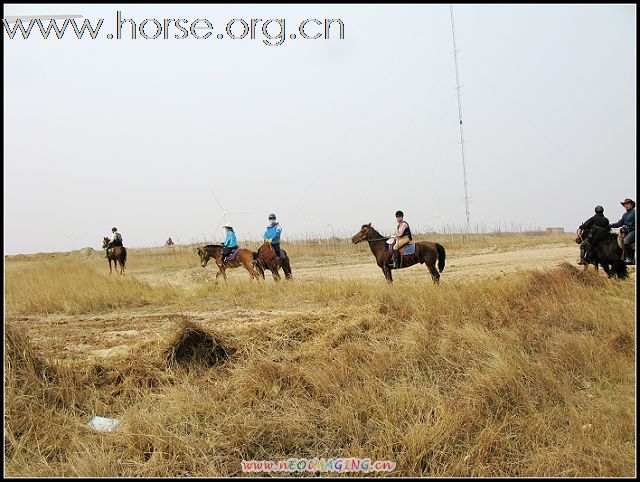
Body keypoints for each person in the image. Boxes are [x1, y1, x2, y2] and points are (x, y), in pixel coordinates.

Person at [609, 198, 636, 264]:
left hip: (633, 230)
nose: (626, 206)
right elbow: (619, 224)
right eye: (625, 204)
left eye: (628, 204)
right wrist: (610, 225)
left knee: (626, 241)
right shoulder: (625, 215)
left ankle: (629, 258)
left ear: (631, 205)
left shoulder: (635, 212)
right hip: (625, 231)